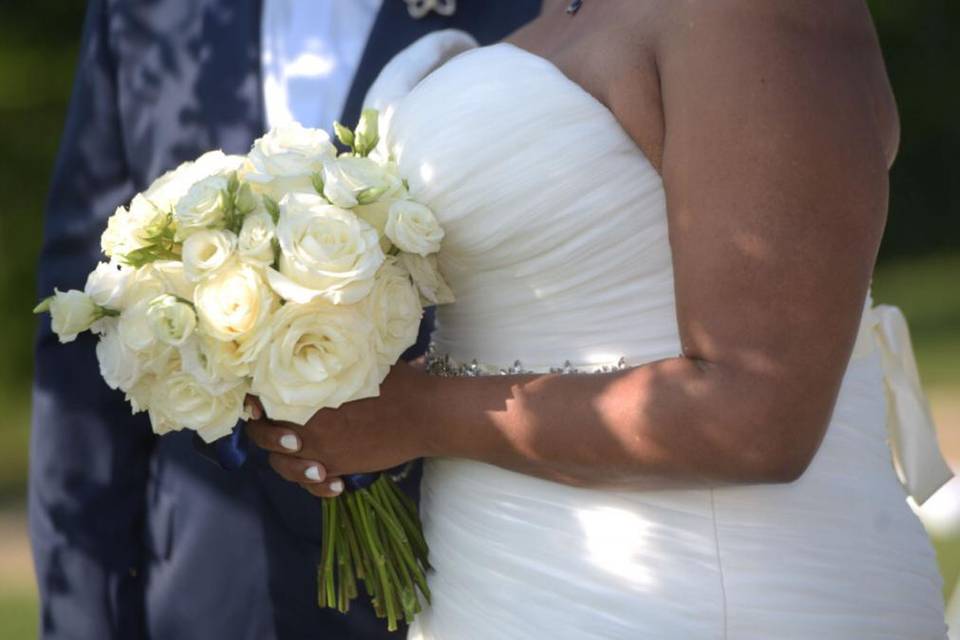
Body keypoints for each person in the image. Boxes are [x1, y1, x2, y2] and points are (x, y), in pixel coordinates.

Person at [250, 0, 953, 637]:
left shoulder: (757, 15)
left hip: (708, 595)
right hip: (502, 578)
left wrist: (417, 416)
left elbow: (759, 413)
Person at [29, 1, 540, 638]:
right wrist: (82, 613)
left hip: (452, 564)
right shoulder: (145, 15)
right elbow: (84, 320)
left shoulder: (537, 14)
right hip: (205, 577)